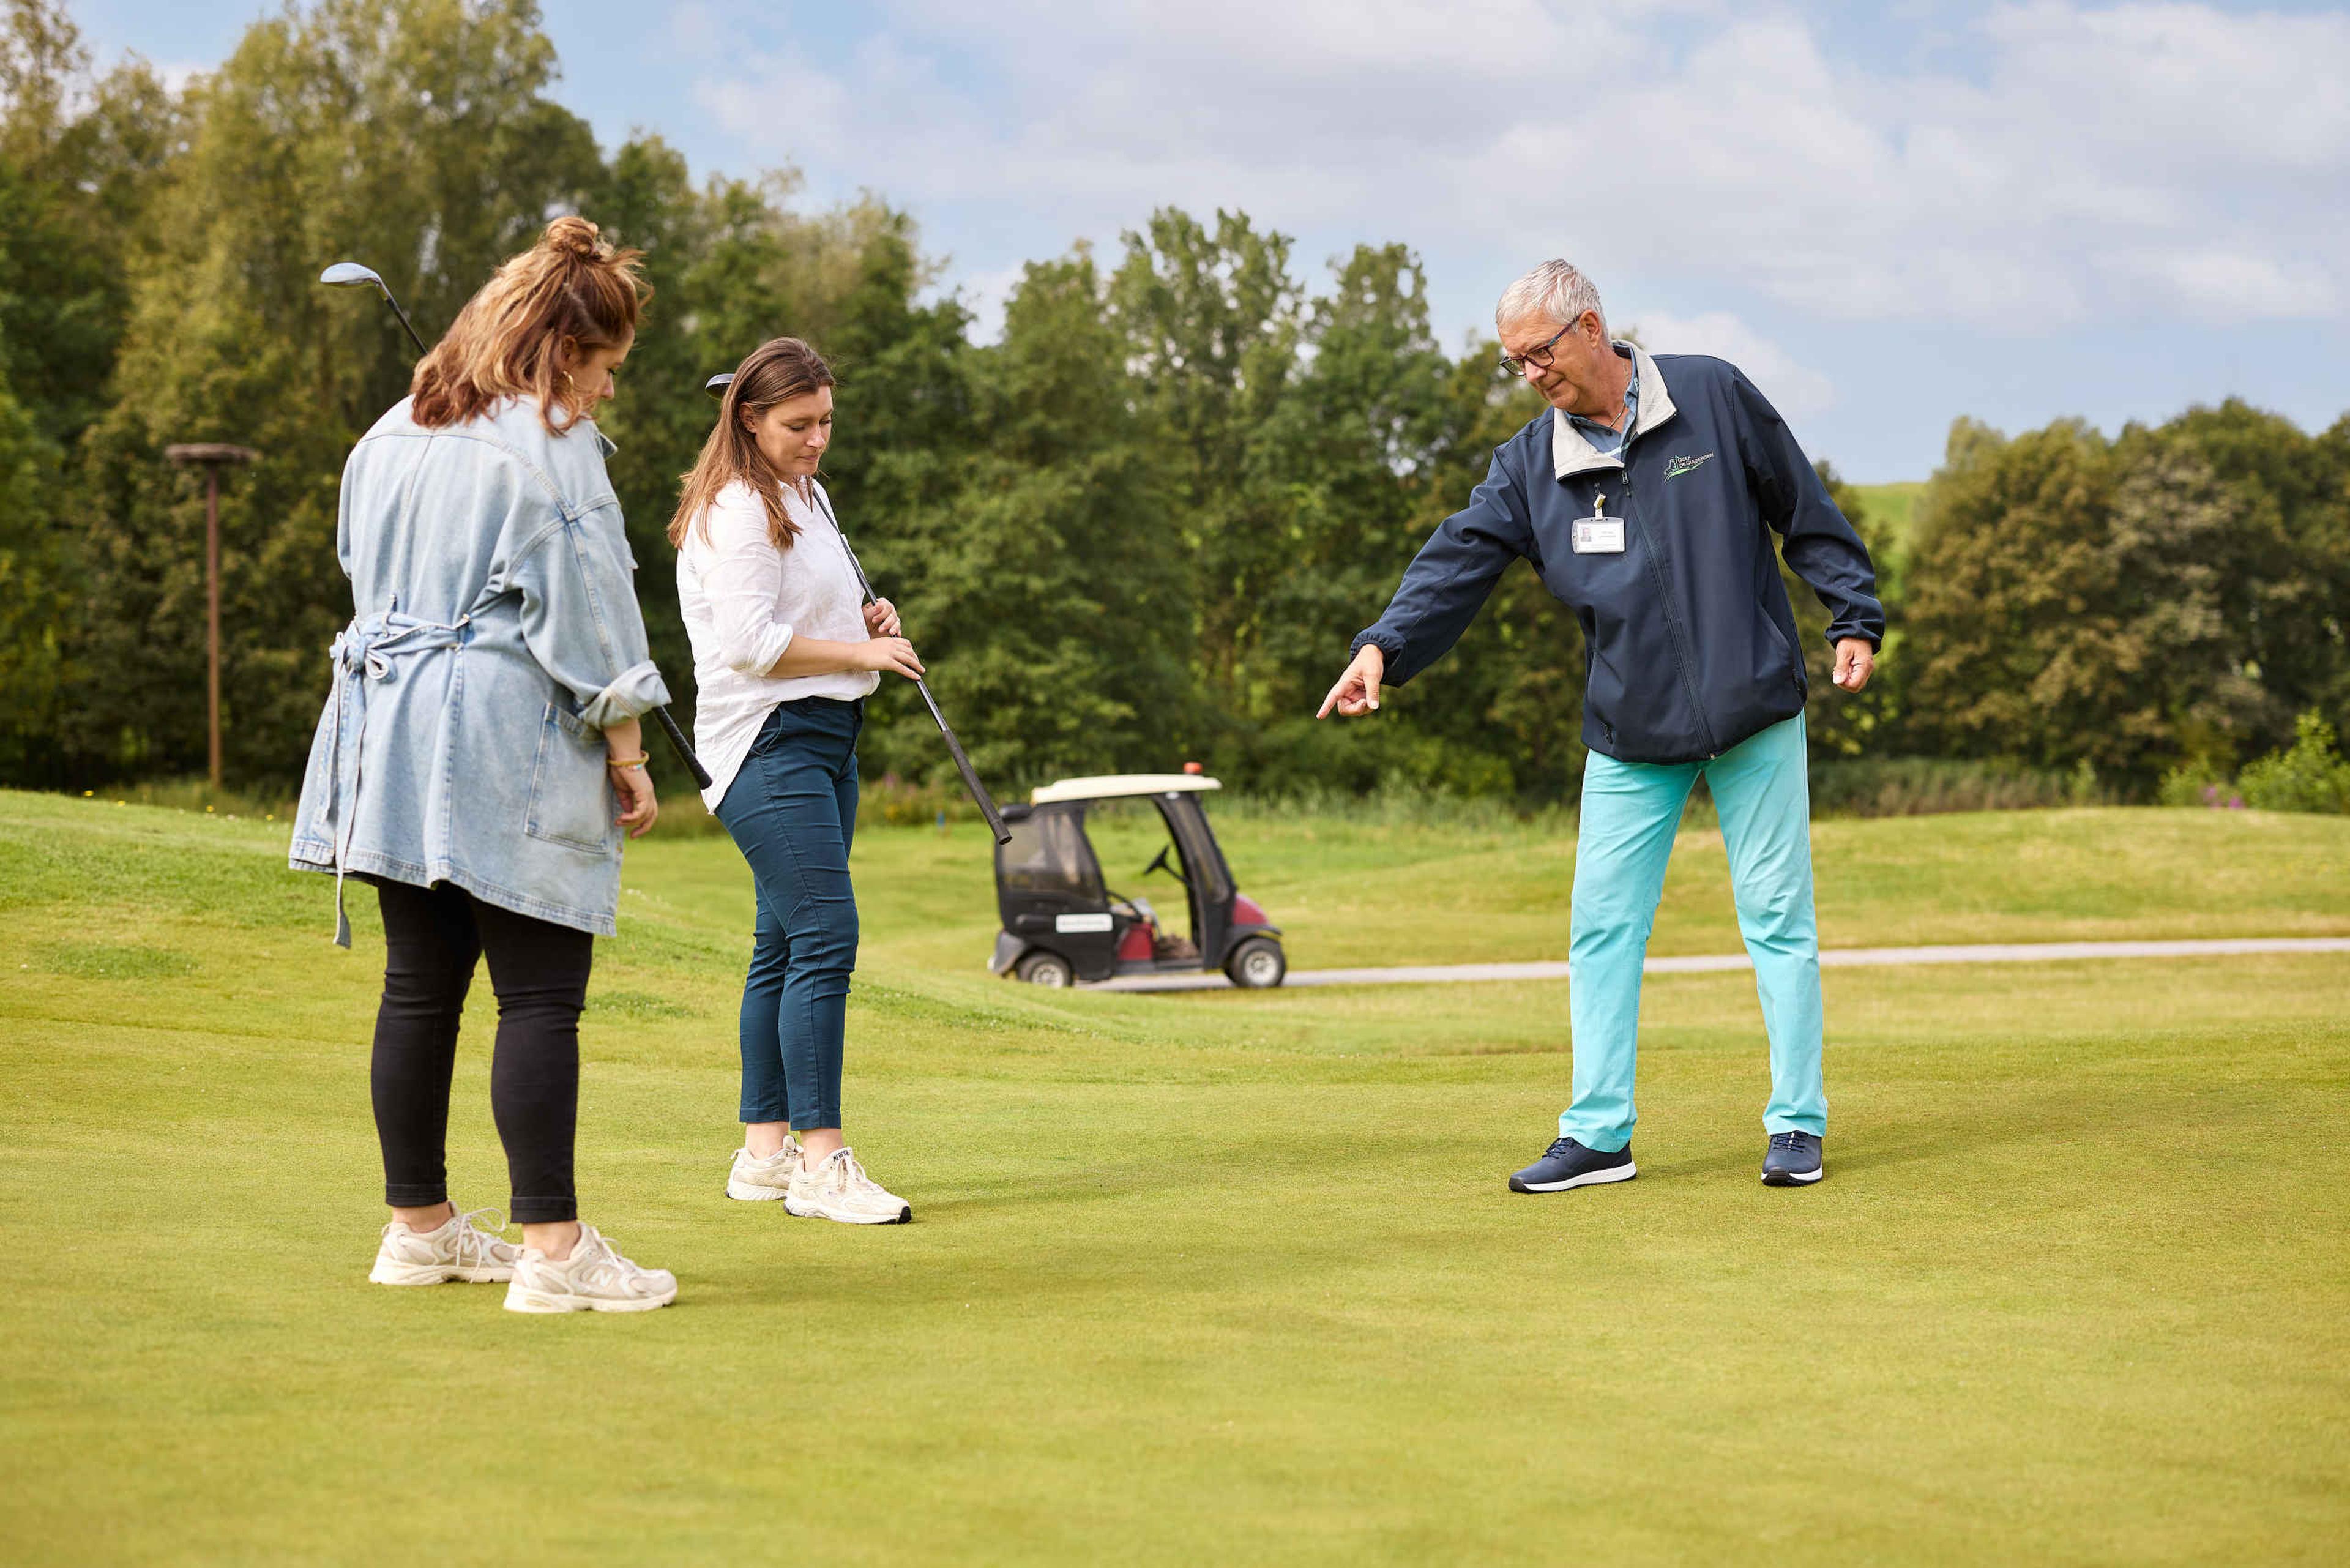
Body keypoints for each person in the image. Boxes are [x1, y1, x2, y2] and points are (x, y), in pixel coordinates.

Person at [1319, 260, 1882, 1192]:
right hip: (1629, 728)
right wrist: (1384, 647)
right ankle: (1599, 1135)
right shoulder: (1529, 465)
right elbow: (1454, 563)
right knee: (1602, 929)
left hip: (1752, 705)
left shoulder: (1709, 393)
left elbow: (1803, 507)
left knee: (1779, 920)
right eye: (1514, 363)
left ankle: (1796, 1125)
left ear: (1590, 326)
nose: (1531, 375)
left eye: (1538, 352)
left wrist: (1853, 615)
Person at [289, 216, 679, 1312]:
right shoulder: (552, 452)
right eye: (604, 368)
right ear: (564, 350)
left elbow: (362, 571)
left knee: (419, 987)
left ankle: (420, 1229)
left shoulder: (389, 429)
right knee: (540, 993)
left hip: (386, 736)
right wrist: (627, 744)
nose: (606, 391)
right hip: (505, 734)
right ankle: (553, 1252)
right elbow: (595, 617)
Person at [671, 337, 924, 1223]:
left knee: (781, 946)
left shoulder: (803, 495)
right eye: (799, 424)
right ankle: (822, 1166)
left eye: (826, 421)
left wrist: (861, 613)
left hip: (827, 735)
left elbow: (795, 611)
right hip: (768, 743)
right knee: (825, 939)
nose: (819, 439)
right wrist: (864, 649)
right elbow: (747, 641)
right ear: (750, 418)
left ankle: (763, 1154)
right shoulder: (739, 505)